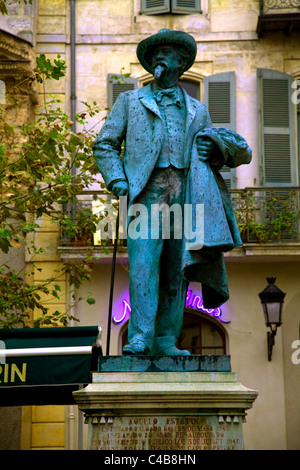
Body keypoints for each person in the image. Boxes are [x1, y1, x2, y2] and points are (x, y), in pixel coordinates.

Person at [93, 29, 252, 356]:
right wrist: (117, 180)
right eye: (156, 54)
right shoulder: (129, 101)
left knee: (176, 271)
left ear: (181, 63)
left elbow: (214, 155)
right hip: (145, 197)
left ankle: (166, 339)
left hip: (187, 196)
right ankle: (139, 337)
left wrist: (215, 151)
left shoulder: (198, 109)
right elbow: (105, 144)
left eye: (168, 53)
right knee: (142, 266)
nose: (160, 58)